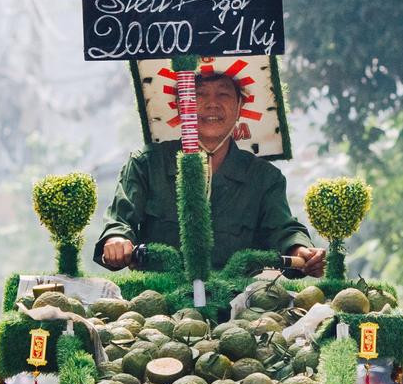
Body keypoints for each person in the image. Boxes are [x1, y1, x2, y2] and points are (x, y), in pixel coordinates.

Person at [94, 71, 325, 276]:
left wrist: (300, 250)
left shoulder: (265, 178)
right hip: (156, 306)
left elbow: (283, 230)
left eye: (223, 94)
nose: (212, 104)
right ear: (180, 105)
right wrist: (116, 240)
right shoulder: (146, 164)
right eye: (199, 94)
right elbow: (120, 220)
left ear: (240, 106)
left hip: (239, 308)